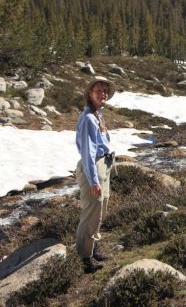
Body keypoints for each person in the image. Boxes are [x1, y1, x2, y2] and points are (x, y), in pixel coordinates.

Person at [75, 76, 116, 273]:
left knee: (102, 208)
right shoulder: (89, 118)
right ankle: (85, 257)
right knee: (91, 212)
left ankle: (94, 246)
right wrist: (93, 179)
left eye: (105, 91)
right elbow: (87, 152)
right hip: (93, 168)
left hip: (103, 165)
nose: (103, 94)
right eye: (98, 90)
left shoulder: (98, 114)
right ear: (90, 93)